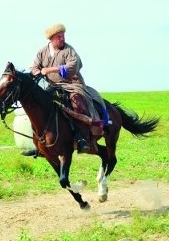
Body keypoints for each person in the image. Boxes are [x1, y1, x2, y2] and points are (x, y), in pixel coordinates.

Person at [21, 23, 107, 156]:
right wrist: (36, 71)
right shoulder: (42, 52)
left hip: (73, 85)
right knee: (39, 108)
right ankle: (40, 145)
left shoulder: (69, 50)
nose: (62, 39)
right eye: (59, 37)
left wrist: (49, 69)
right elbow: (34, 67)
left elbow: (73, 67)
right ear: (51, 39)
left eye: (63, 36)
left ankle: (82, 138)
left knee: (77, 104)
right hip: (52, 87)